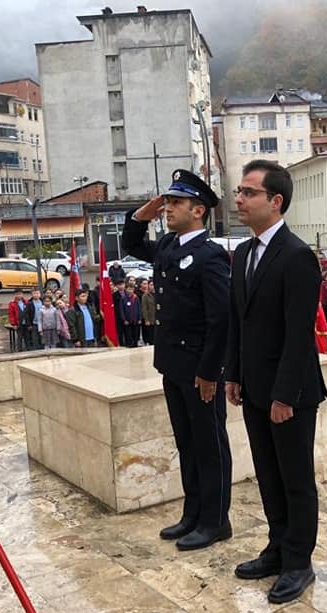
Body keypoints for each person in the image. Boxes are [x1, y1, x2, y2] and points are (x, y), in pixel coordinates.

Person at [225, 159, 327, 604]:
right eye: (240, 191)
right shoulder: (244, 252)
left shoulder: (298, 256)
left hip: (291, 393)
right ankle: (277, 547)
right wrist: (234, 374)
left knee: (295, 478)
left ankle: (299, 562)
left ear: (276, 201)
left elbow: (299, 332)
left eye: (249, 192)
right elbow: (238, 322)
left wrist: (284, 395)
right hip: (254, 388)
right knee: (268, 474)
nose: (239, 199)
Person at [122, 169, 233, 550]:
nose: (168, 208)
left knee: (210, 444)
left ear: (198, 210)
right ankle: (194, 513)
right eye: (167, 201)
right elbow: (132, 242)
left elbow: (220, 319)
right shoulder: (170, 247)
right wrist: (143, 213)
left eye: (176, 203)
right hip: (172, 364)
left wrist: (209, 371)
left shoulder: (210, 256)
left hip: (199, 369)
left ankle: (216, 521)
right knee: (186, 442)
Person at [140, 279, 156, 345]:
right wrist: (146, 320)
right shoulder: (145, 295)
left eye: (154, 285)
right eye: (151, 285)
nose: (153, 286)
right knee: (150, 335)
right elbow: (144, 308)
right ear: (148, 286)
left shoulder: (157, 294)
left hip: (157, 318)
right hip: (150, 318)